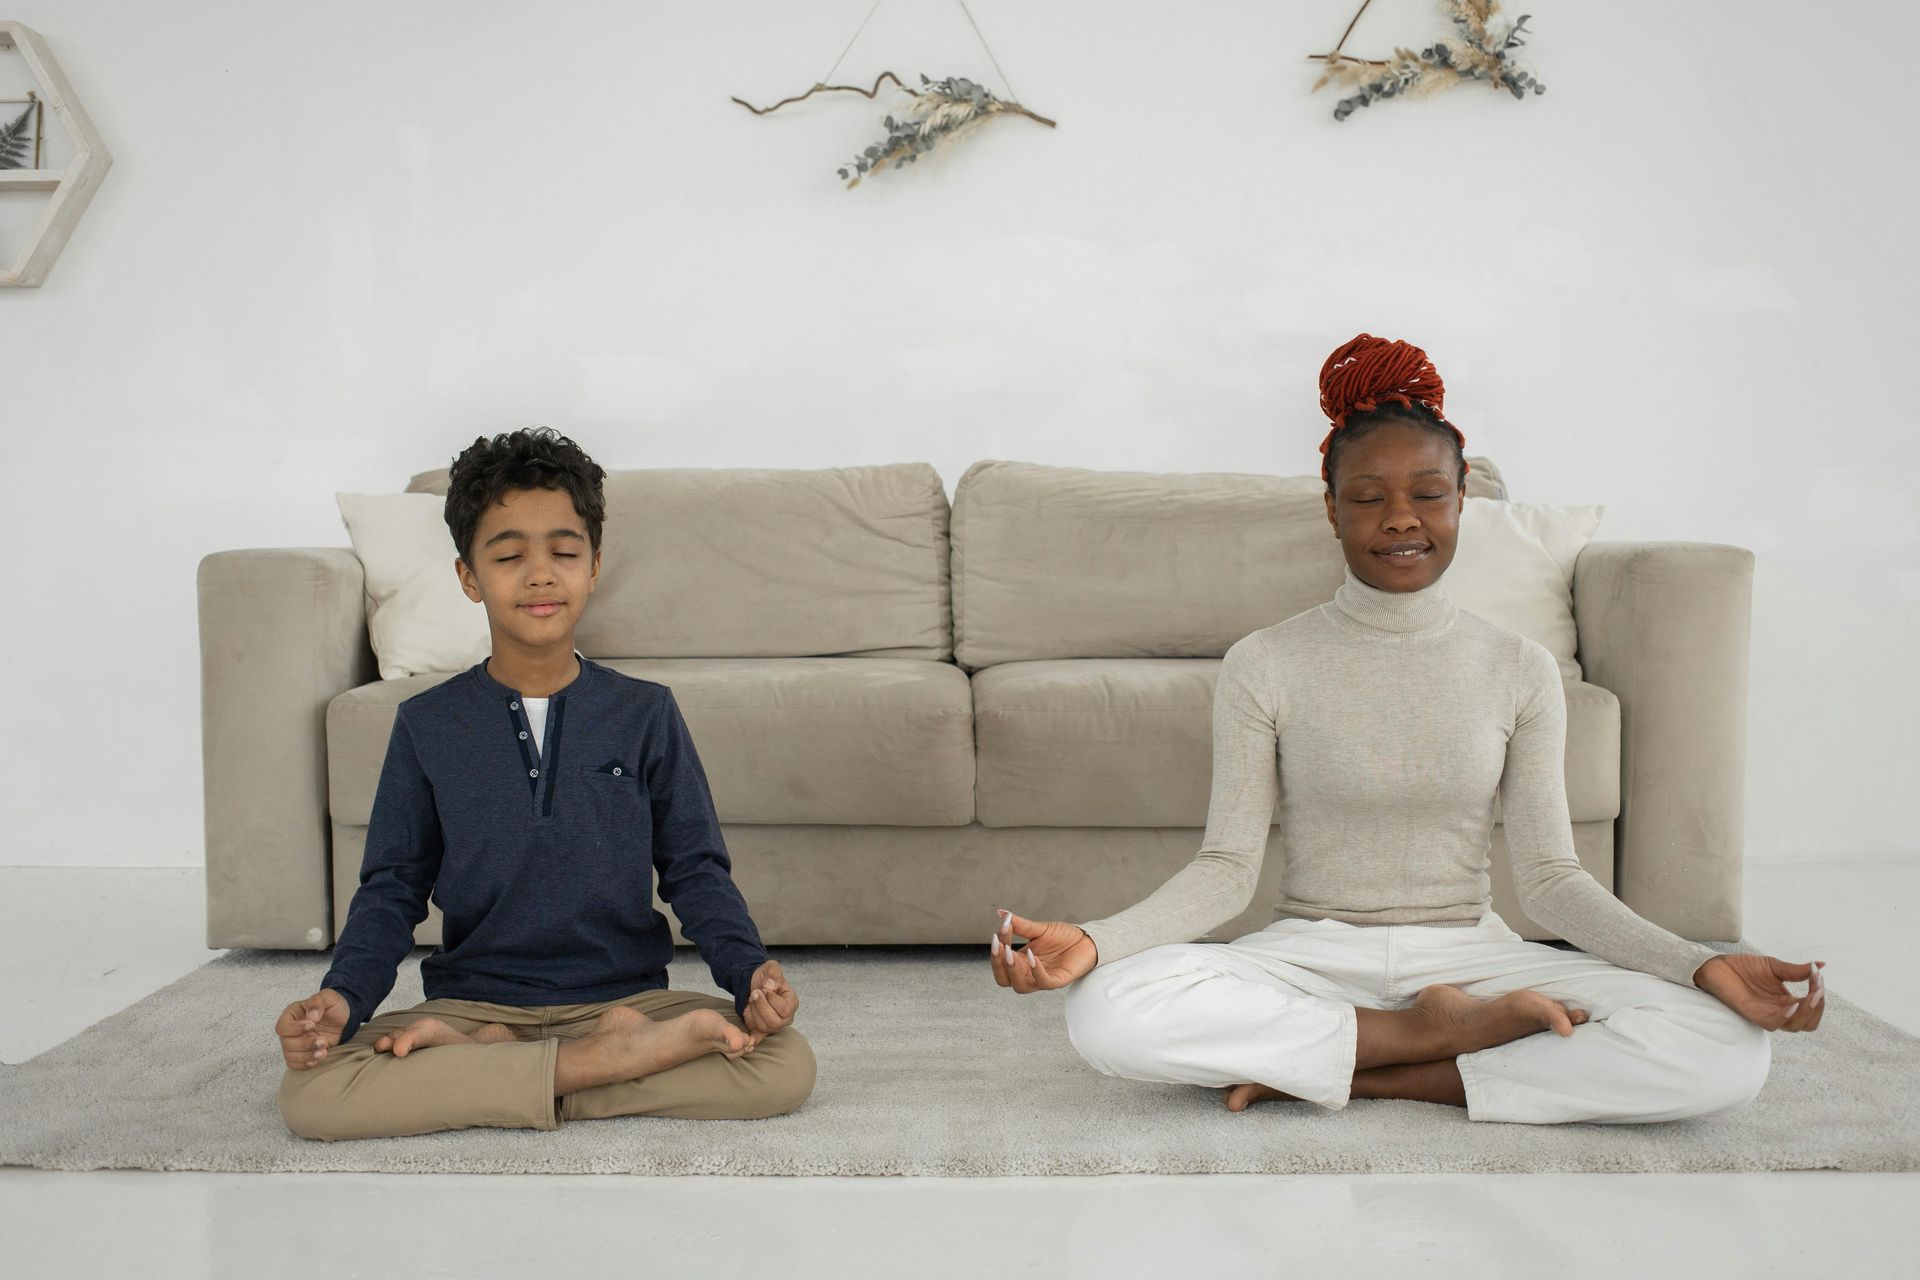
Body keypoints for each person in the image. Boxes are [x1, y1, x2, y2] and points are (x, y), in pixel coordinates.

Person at [988, 334, 1823, 1124]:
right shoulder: (1265, 661)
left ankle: (1372, 1067)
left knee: (1728, 1048)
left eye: (1427, 494)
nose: (1399, 518)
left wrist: (1700, 964)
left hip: (1470, 955)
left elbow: (1551, 881)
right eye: (1367, 498)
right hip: (1313, 956)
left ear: (1462, 502)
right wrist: (1097, 941)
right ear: (1331, 510)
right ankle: (1425, 1039)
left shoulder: (1520, 668)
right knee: (1106, 1009)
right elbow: (1225, 872)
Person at [274, 427, 814, 1139]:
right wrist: (344, 997)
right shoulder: (426, 724)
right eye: (508, 557)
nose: (540, 575)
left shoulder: (645, 713)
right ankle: (602, 1066)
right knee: (312, 1095)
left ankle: (495, 1074)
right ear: (469, 577)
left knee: (783, 1065)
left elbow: (695, 871)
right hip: (475, 1006)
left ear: (594, 567)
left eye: (564, 553)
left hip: (623, 1002)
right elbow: (392, 889)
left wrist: (749, 973)